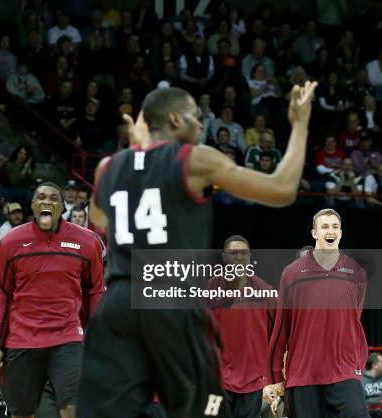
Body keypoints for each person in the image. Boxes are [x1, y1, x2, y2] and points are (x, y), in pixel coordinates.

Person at [79, 81, 317, 418]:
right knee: (207, 410)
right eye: (195, 116)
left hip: (118, 304)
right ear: (175, 119)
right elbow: (281, 189)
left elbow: (99, 216)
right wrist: (301, 123)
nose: (201, 123)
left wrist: (136, 162)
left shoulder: (108, 167)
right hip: (170, 302)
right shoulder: (193, 159)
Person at [0, 183, 105, 418]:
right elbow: (0, 294)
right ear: (33, 205)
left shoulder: (87, 242)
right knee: (22, 412)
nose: (46, 202)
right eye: (40, 198)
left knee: (75, 409)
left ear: (61, 207)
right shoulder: (10, 242)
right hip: (22, 339)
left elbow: (95, 290)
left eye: (53, 199)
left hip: (68, 336)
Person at [265, 208, 369, 418]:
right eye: (324, 226)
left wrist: (357, 363)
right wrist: (274, 376)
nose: (330, 231)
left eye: (335, 227)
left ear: (340, 232)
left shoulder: (357, 272)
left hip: (345, 372)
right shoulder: (292, 272)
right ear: (314, 233)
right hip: (303, 375)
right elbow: (281, 327)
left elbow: (353, 322)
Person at [207, 235, 275, 418]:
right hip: (217, 379)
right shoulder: (210, 290)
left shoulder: (264, 291)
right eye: (232, 253)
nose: (238, 258)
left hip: (252, 381)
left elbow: (279, 331)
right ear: (223, 257)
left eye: (243, 253)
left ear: (250, 256)